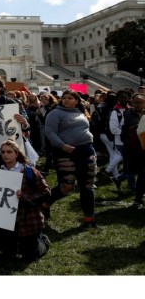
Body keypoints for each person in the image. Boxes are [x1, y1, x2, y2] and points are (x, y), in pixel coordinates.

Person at [0, 140, 51, 261]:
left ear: (16, 154)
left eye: (9, 152)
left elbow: (46, 191)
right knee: (7, 255)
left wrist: (25, 197)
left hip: (27, 220)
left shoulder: (28, 170)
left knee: (30, 256)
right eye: (3, 152)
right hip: (7, 221)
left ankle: (43, 241)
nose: (5, 154)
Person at [43, 89, 98, 228]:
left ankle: (89, 219)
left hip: (86, 150)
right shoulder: (55, 113)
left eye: (70, 98)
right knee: (67, 185)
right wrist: (62, 145)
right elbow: (50, 132)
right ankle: (44, 204)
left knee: (87, 185)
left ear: (77, 101)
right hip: (65, 152)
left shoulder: (81, 112)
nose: (66, 100)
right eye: (64, 98)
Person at [120, 93, 145, 207]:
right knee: (141, 174)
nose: (138, 105)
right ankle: (137, 197)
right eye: (136, 102)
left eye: (140, 102)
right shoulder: (129, 114)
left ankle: (138, 197)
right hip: (137, 150)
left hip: (140, 149)